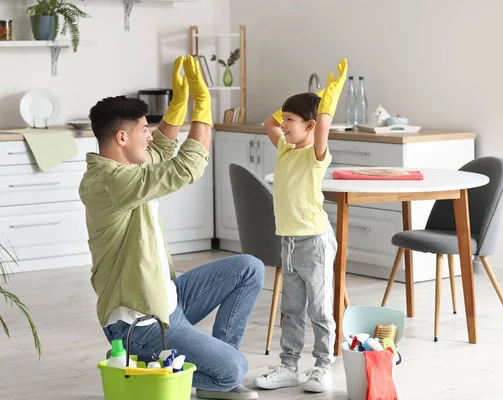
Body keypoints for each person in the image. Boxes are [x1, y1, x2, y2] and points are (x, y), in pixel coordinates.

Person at [79, 55, 263, 400]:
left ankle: (207, 368)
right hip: (141, 322)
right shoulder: (110, 181)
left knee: (248, 268)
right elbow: (185, 168)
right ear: (121, 137)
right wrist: (203, 108)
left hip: (167, 300)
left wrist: (178, 103)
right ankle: (148, 362)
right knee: (235, 369)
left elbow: (162, 147)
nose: (149, 136)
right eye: (143, 130)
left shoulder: (125, 166)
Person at [253, 58, 347, 393]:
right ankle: (289, 365)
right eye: (286, 119)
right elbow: (268, 122)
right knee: (291, 309)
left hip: (315, 243)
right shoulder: (284, 148)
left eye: (291, 120)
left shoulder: (314, 155)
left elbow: (322, 128)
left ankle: (323, 368)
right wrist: (302, 103)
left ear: (309, 126)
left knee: (320, 310)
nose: (284, 125)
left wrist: (327, 102)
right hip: (290, 243)